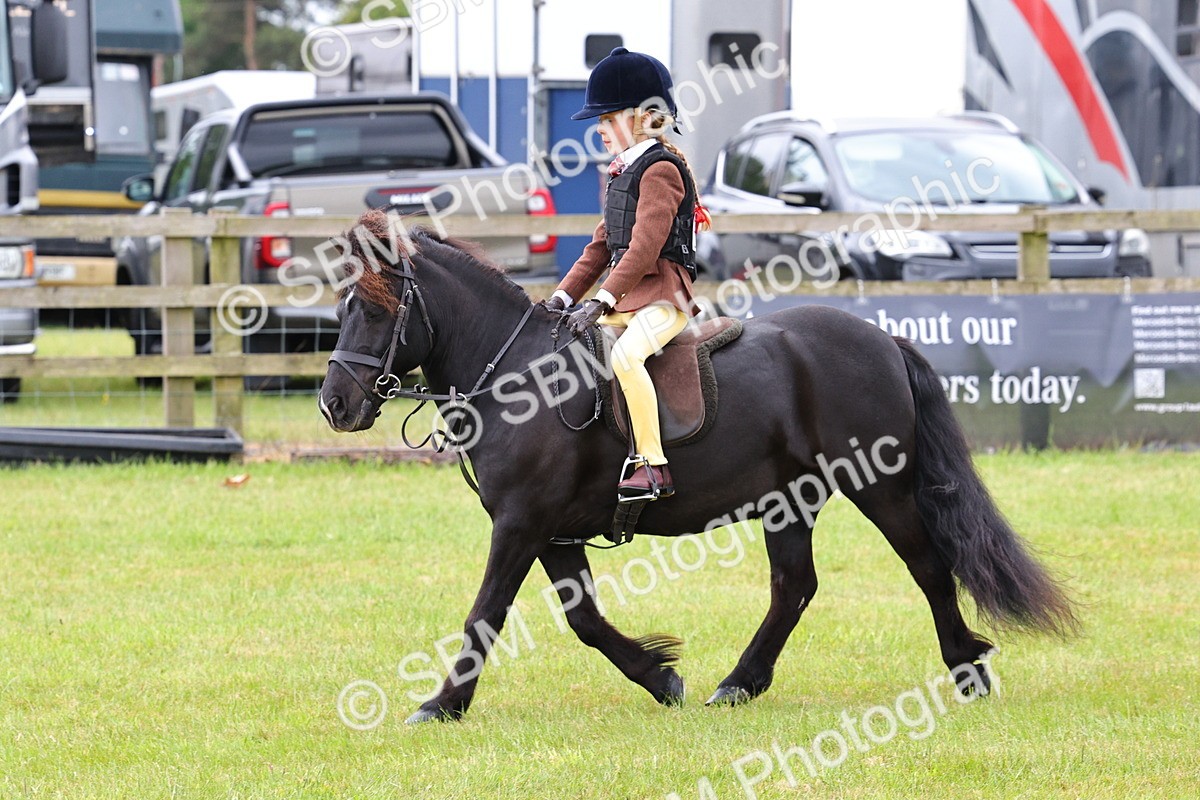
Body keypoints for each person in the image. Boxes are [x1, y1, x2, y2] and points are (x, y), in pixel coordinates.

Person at [542, 47, 710, 504]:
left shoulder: (659, 170)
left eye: (606, 118)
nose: (598, 130)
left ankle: (654, 466)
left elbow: (644, 247)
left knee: (626, 358)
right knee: (574, 350)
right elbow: (601, 246)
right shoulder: (623, 174)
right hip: (628, 300)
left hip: (663, 300)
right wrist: (561, 297)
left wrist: (603, 300)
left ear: (641, 118)